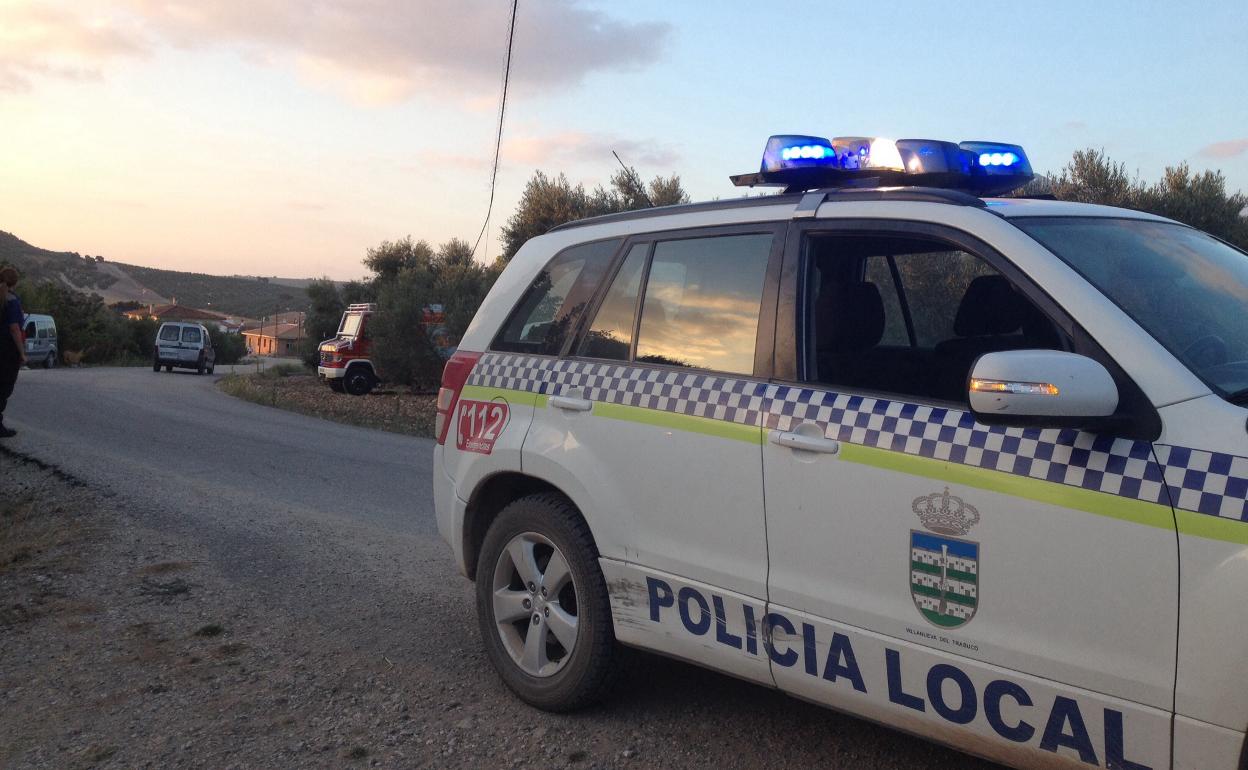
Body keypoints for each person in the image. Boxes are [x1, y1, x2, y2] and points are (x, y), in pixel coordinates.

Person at [0, 265, 26, 438]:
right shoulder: (12, 300)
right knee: (3, 387)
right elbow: (15, 329)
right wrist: (22, 353)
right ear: (15, 282)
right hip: (6, 350)